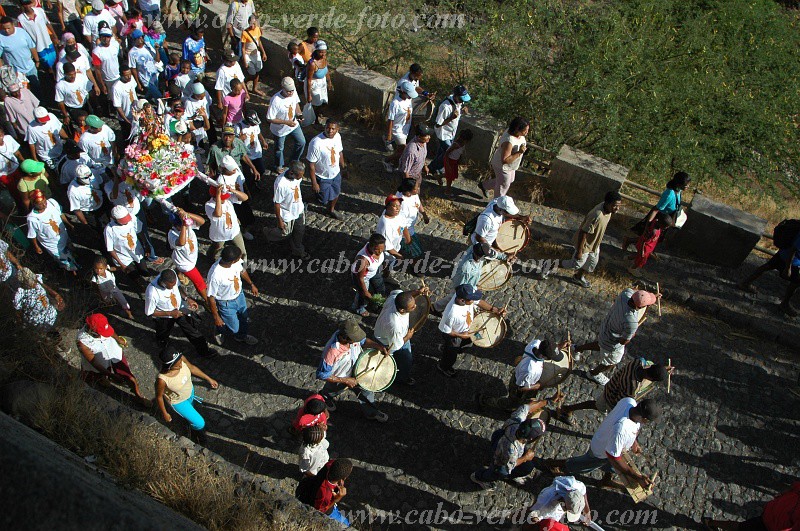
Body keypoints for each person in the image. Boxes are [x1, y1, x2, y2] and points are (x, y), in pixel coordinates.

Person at [546, 398, 660, 491]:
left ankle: (606, 480)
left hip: (613, 446)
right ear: (644, 419)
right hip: (601, 452)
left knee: (612, 468)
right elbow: (613, 457)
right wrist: (637, 477)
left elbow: (631, 430)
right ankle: (554, 464)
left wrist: (634, 442)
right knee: (581, 465)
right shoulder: (622, 429)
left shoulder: (629, 401)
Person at [574, 288, 660, 384]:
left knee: (600, 344)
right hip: (612, 341)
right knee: (612, 362)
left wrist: (652, 296)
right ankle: (593, 374)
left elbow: (636, 292)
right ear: (640, 307)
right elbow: (623, 341)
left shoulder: (625, 293)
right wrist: (632, 335)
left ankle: (577, 348)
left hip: (606, 327)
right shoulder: (631, 322)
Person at [541, 190, 622, 288]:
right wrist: (580, 251)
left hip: (595, 244)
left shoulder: (608, 210)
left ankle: (578, 277)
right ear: (607, 203)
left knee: (591, 264)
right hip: (585, 245)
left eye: (619, 206)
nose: (617, 209)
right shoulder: (596, 215)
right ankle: (549, 264)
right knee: (575, 264)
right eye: (615, 205)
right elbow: (584, 232)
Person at [316, 319, 389, 422]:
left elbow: (363, 341)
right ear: (344, 338)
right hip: (340, 376)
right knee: (331, 391)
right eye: (355, 339)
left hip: (358, 370)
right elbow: (322, 374)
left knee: (367, 391)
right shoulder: (331, 352)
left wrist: (378, 346)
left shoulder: (352, 337)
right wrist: (346, 380)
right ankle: (326, 398)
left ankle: (371, 412)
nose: (358, 340)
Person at [555, 359, 670, 425]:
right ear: (651, 380)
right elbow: (621, 402)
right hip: (612, 401)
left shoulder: (637, 362)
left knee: (594, 404)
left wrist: (663, 370)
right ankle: (567, 409)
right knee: (608, 419)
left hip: (610, 386)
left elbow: (649, 367)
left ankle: (568, 409)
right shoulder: (632, 387)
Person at [470, 399, 549, 490]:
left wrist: (546, 401)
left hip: (499, 437)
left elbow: (526, 407)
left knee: (528, 467)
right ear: (530, 439)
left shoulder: (516, 420)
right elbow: (509, 465)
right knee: (499, 472)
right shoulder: (512, 450)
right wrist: (525, 458)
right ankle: (479, 477)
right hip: (502, 458)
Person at [78, 313, 150, 405]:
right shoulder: (82, 341)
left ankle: (138, 396)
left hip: (113, 353)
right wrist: (112, 375)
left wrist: (118, 339)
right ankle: (103, 379)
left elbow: (110, 331)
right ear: (92, 330)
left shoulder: (101, 324)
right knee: (97, 375)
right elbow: (94, 362)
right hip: (100, 362)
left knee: (130, 377)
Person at [437, 284, 508, 377]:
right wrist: (461, 335)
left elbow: (479, 302)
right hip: (455, 336)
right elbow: (446, 331)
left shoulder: (466, 293)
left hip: (467, 331)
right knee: (451, 353)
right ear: (462, 300)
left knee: (464, 346)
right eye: (472, 299)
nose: (474, 300)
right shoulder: (451, 313)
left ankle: (447, 349)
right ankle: (444, 366)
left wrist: (494, 310)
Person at [479, 338, 570, 410]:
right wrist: (538, 385)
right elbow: (521, 387)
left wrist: (558, 347)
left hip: (525, 376)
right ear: (543, 356)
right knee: (512, 404)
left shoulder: (536, 343)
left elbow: (546, 348)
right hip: (520, 384)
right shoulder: (530, 370)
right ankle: (486, 401)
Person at [155, 344, 219, 443]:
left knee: (193, 413)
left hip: (190, 393)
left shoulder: (181, 359)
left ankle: (190, 423)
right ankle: (197, 436)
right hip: (179, 402)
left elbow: (192, 368)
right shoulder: (162, 380)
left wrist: (208, 379)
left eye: (180, 360)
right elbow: (159, 397)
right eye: (176, 365)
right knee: (199, 423)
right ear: (169, 366)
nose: (181, 364)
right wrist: (165, 413)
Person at [145, 269, 213, 357]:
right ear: (163, 283)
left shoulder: (172, 274)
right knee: (163, 333)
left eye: (174, 284)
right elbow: (149, 312)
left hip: (179, 310)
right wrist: (170, 313)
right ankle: (163, 344)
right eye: (170, 287)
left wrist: (186, 298)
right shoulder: (152, 292)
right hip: (165, 317)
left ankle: (204, 351)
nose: (173, 288)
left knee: (192, 331)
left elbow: (178, 287)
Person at [738, 221, 800, 317]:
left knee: (767, 266)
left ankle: (745, 283)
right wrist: (788, 268)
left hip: (783, 253)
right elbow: (794, 249)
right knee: (796, 282)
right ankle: (784, 304)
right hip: (792, 261)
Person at [374, 286, 430, 386]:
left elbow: (402, 293)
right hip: (389, 341)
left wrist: (417, 292)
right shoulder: (394, 325)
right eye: (412, 307)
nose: (415, 307)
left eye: (414, 303)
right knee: (406, 360)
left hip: (385, 332)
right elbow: (396, 345)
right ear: (402, 310)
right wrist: (408, 337)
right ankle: (402, 378)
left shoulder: (395, 298)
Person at [623, 171, 691, 252]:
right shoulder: (669, 194)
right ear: (679, 184)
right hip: (660, 219)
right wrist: (648, 223)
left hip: (667, 219)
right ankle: (635, 245)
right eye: (686, 185)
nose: (688, 187)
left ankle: (644, 249)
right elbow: (656, 209)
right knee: (650, 236)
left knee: (655, 238)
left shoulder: (678, 191)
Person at [431, 242, 508, 313]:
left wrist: (505, 257)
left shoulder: (476, 247)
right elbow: (462, 289)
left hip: (470, 280)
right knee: (455, 296)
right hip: (462, 283)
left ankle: (436, 307)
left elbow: (492, 253)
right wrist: (474, 289)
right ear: (479, 256)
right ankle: (436, 308)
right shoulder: (466, 269)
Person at [206, 245, 259, 346]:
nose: (241, 259)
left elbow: (241, 271)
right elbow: (211, 297)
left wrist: (251, 284)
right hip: (226, 303)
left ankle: (241, 337)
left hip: (240, 296)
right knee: (234, 328)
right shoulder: (215, 275)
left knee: (244, 317)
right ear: (232, 261)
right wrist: (216, 317)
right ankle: (219, 329)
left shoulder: (234, 262)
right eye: (239, 258)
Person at [702, 480, 800, 530]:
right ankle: (709, 523)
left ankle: (710, 523)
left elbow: (794, 486)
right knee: (741, 528)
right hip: (772, 524)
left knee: (743, 527)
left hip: (774, 509)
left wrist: (781, 496)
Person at [27, 189, 78, 272]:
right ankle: (72, 273)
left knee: (72, 252)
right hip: (53, 245)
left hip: (64, 236)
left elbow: (61, 214)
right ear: (34, 204)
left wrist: (69, 224)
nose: (44, 204)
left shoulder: (52, 203)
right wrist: (36, 246)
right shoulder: (32, 218)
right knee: (67, 262)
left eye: (44, 201)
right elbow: (32, 234)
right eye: (40, 204)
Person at [265, 161, 309, 259]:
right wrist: (279, 221)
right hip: (287, 213)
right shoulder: (280, 184)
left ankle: (298, 250)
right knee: (285, 233)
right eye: (299, 176)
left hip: (299, 210)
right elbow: (277, 203)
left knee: (300, 231)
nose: (301, 178)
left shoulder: (297, 177)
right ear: (291, 173)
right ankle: (268, 232)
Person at [167, 207, 208, 305]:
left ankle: (180, 273)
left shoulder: (187, 223)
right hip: (185, 263)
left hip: (191, 256)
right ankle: (207, 301)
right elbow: (181, 242)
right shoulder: (172, 234)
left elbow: (202, 221)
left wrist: (186, 213)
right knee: (200, 283)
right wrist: (185, 226)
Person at [306, 119, 346, 219]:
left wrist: (343, 167)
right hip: (322, 176)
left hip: (335, 173)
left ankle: (331, 210)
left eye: (333, 129)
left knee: (336, 193)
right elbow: (311, 164)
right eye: (328, 128)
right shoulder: (316, 143)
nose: (330, 131)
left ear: (337, 129)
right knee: (322, 199)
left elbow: (340, 153)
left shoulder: (338, 137)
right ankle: (312, 198)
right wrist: (314, 183)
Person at [481, 116, 529, 198]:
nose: (527, 132)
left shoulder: (515, 133)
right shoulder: (509, 141)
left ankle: (484, 185)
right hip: (503, 167)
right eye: (525, 130)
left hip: (511, 165)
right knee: (503, 187)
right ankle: (496, 204)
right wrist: (520, 152)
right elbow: (505, 160)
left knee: (510, 180)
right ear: (517, 129)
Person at [429, 85, 470, 176]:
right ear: (456, 96)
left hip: (451, 132)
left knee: (442, 152)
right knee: (448, 152)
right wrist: (451, 118)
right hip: (443, 134)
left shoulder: (458, 102)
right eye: (462, 99)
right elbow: (438, 124)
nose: (463, 102)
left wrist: (462, 112)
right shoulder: (445, 106)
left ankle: (436, 168)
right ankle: (432, 168)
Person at [105, 204, 153, 282]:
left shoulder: (132, 218)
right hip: (123, 256)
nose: (126, 222)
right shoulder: (109, 229)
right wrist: (121, 264)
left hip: (136, 250)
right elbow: (110, 249)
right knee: (134, 275)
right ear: (114, 219)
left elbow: (139, 231)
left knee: (144, 270)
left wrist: (146, 245)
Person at [266, 76, 305, 173]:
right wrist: (286, 122)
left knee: (301, 142)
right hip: (280, 129)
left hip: (293, 124)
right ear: (282, 88)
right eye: (288, 91)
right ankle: (278, 165)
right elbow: (270, 118)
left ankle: (294, 161)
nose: (291, 93)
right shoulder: (276, 100)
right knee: (279, 148)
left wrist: (299, 114)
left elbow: (296, 103)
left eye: (292, 91)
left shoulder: (293, 92)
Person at [522, 476, 591, 527]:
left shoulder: (575, 486)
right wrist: (536, 519)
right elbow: (533, 512)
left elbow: (583, 490)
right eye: (568, 510)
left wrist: (587, 511)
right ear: (563, 503)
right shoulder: (546, 498)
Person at [204, 183, 248, 261]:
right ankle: (210, 258)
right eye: (222, 198)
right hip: (219, 234)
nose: (224, 200)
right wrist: (218, 196)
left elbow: (245, 198)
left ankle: (243, 265)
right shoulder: (209, 205)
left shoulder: (228, 199)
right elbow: (218, 214)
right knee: (216, 248)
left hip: (234, 231)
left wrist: (232, 190)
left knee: (242, 251)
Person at [13, 267, 64, 332]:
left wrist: (57, 296)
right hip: (39, 322)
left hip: (52, 313)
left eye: (34, 281)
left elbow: (48, 289)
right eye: (32, 282)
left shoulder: (37, 282)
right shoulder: (20, 294)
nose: (34, 283)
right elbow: (18, 311)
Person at [305, 458, 353, 526]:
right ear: (344, 478)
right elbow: (321, 511)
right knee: (346, 524)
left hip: (312, 487)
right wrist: (336, 499)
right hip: (328, 509)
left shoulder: (329, 465)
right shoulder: (325, 495)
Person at [0, 17, 41, 95]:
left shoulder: (22, 32)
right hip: (16, 72)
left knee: (36, 87)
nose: (6, 31)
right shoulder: (1, 37)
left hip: (29, 67)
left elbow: (31, 47)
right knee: (23, 92)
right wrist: (2, 70)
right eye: (4, 28)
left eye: (9, 28)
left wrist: (37, 60)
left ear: (13, 25)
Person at [395, 178, 429, 271]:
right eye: (416, 188)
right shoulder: (401, 203)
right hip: (404, 233)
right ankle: (415, 267)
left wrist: (424, 214)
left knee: (416, 249)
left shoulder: (413, 195)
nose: (418, 189)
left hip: (411, 229)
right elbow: (402, 225)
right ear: (409, 190)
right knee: (416, 252)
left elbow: (418, 203)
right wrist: (408, 240)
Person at [350, 233, 387, 317]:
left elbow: (381, 259)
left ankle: (377, 302)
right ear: (371, 246)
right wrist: (365, 292)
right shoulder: (363, 260)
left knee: (380, 288)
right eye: (377, 249)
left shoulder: (379, 248)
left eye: (382, 248)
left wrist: (385, 268)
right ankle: (358, 308)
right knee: (362, 295)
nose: (380, 252)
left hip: (374, 271)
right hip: (363, 277)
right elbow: (360, 278)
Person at [628, 211, 674, 276]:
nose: (666, 228)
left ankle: (629, 258)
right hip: (645, 248)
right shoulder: (653, 232)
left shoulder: (655, 221)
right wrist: (642, 251)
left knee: (638, 255)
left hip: (648, 246)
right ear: (661, 224)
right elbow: (644, 241)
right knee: (640, 260)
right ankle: (632, 269)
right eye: (665, 226)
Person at [17, 0, 58, 70]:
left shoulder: (40, 11)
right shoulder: (21, 19)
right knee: (47, 65)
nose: (27, 6)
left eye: (29, 3)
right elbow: (23, 34)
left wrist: (54, 35)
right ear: (22, 6)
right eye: (25, 4)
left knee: (55, 60)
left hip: (48, 42)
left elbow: (47, 23)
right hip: (38, 46)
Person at [383, 80, 415, 171]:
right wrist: (389, 136)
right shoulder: (395, 103)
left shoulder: (409, 100)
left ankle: (395, 165)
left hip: (405, 129)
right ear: (403, 92)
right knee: (404, 150)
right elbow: (390, 120)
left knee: (399, 151)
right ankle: (387, 160)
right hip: (397, 130)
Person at [376, 194, 410, 274]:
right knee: (386, 264)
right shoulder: (385, 225)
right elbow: (387, 246)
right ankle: (386, 276)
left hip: (396, 246)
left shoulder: (398, 214)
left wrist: (408, 239)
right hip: (387, 253)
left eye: (399, 205)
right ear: (387, 207)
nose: (398, 208)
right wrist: (399, 256)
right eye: (394, 206)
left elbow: (404, 226)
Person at [90, 27, 121, 106]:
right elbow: (97, 70)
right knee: (112, 99)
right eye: (103, 36)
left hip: (118, 76)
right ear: (100, 37)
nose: (106, 38)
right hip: (107, 80)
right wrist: (102, 85)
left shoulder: (115, 45)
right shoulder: (96, 52)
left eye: (108, 36)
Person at [128, 28, 162, 99]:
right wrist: (138, 83)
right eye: (138, 38)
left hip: (154, 75)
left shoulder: (147, 47)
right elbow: (133, 69)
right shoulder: (132, 53)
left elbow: (157, 59)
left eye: (142, 37)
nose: (141, 39)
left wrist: (156, 49)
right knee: (159, 96)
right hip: (145, 79)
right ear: (134, 40)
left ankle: (146, 100)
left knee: (151, 94)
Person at [236, 109, 267, 186]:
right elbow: (233, 142)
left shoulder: (256, 125)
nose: (255, 125)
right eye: (253, 123)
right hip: (245, 155)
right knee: (246, 174)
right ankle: (248, 188)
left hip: (256, 152)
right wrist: (240, 138)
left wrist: (263, 141)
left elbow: (258, 132)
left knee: (261, 169)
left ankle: (255, 181)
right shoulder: (238, 127)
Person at [305, 40, 332, 125]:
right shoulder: (312, 64)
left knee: (324, 101)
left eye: (324, 52)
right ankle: (316, 120)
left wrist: (329, 82)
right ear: (316, 51)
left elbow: (326, 70)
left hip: (322, 82)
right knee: (316, 104)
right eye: (321, 52)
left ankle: (319, 115)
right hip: (314, 84)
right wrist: (309, 95)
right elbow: (309, 80)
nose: (323, 54)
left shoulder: (324, 59)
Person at [442, 128, 473, 195]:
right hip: (449, 160)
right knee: (450, 177)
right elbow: (446, 154)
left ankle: (439, 176)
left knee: (453, 175)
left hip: (454, 161)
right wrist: (448, 166)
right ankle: (447, 191)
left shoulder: (462, 144)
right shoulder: (456, 144)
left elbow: (459, 153)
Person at [241, 15, 266, 96]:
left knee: (258, 70)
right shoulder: (245, 33)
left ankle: (254, 88)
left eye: (254, 24)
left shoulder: (258, 30)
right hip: (248, 55)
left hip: (256, 54)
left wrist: (263, 52)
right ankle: (244, 82)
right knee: (252, 73)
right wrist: (245, 60)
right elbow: (243, 48)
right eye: (251, 24)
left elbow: (259, 41)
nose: (252, 26)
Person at [112, 65, 138, 139]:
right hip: (126, 117)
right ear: (121, 75)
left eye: (130, 74)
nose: (129, 77)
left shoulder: (131, 79)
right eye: (126, 76)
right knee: (127, 136)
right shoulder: (116, 87)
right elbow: (117, 106)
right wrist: (126, 120)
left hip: (135, 114)